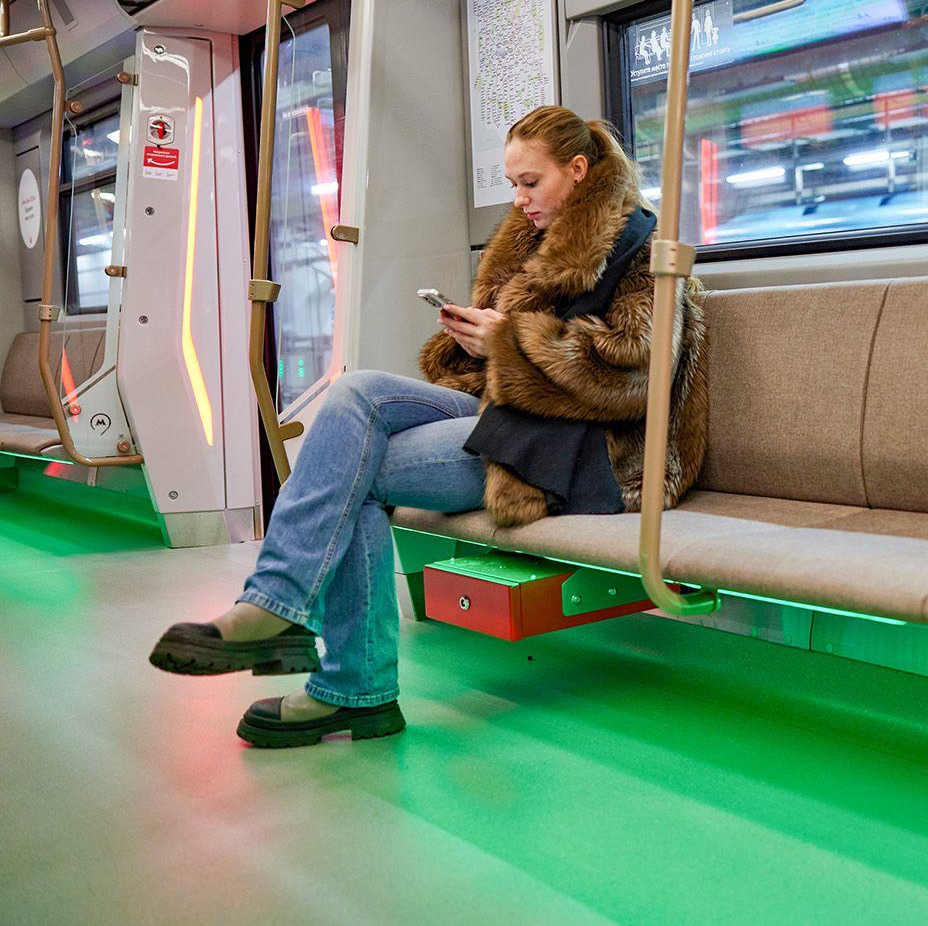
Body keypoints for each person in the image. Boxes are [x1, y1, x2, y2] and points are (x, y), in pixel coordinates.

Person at [148, 106, 709, 748]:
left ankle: (338, 672)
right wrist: (476, 341)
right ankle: (286, 618)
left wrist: (514, 342)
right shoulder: (525, 242)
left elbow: (638, 381)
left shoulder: (644, 251)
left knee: (351, 473)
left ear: (578, 170)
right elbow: (489, 364)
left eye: (531, 182)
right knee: (356, 393)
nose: (519, 199)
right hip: (510, 414)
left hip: (587, 447)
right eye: (514, 185)